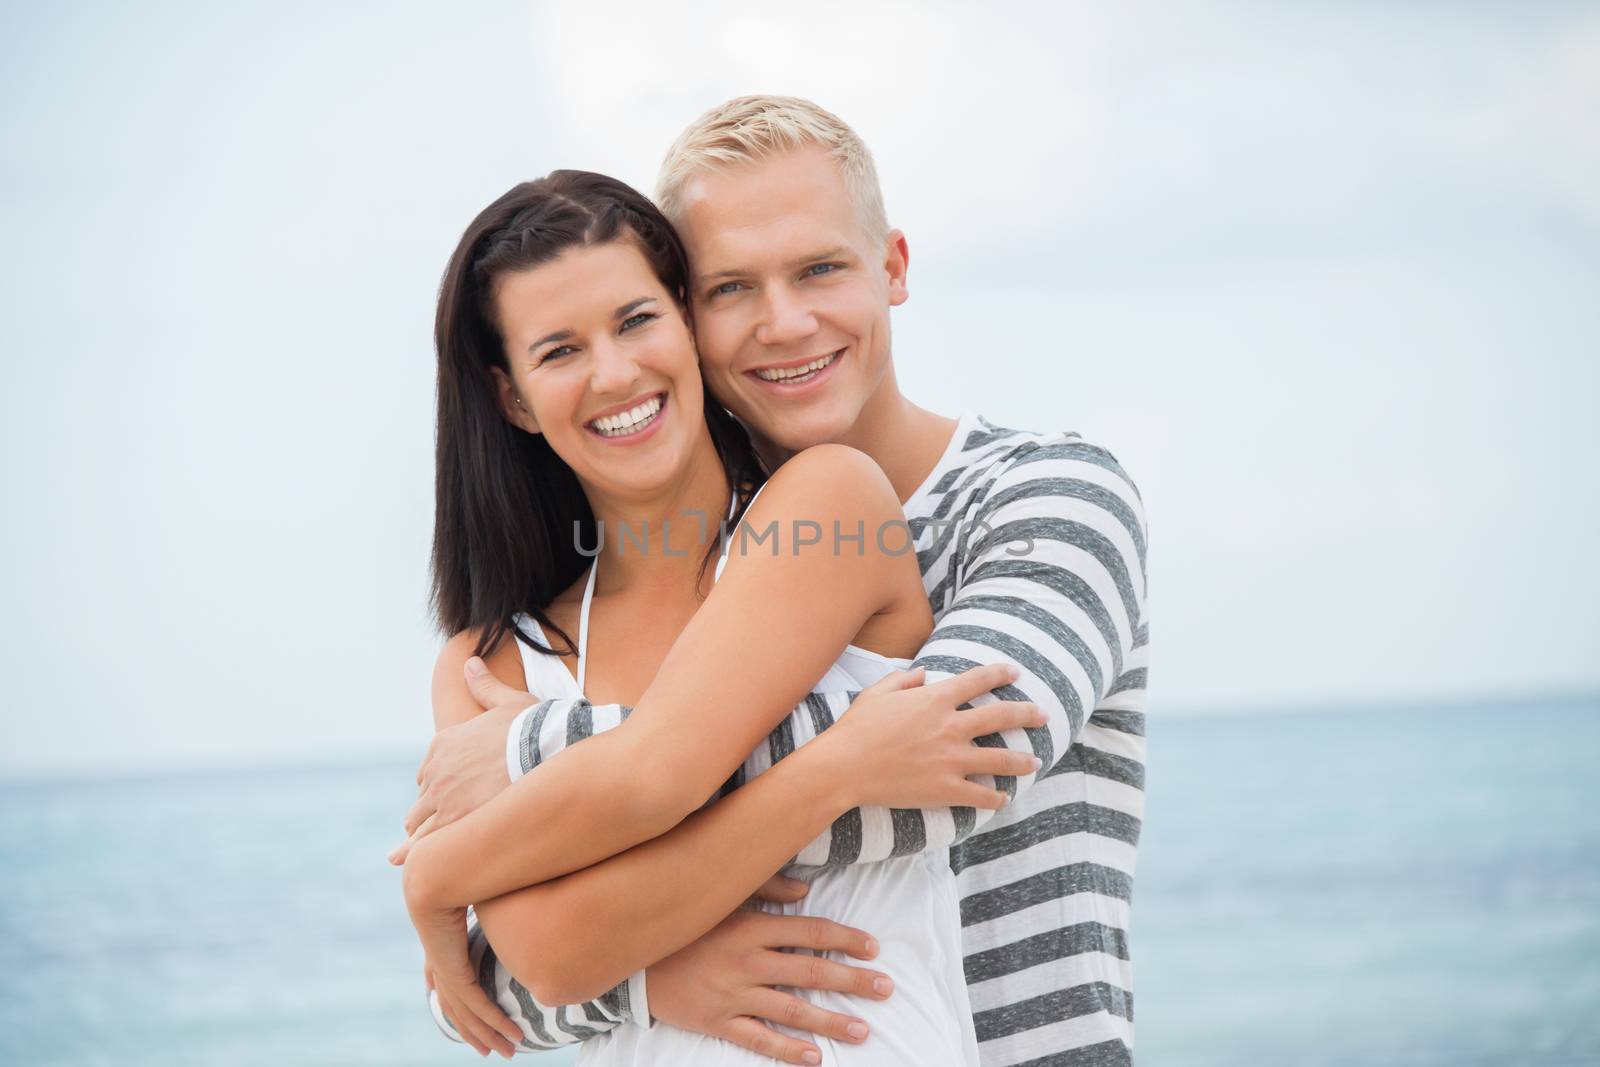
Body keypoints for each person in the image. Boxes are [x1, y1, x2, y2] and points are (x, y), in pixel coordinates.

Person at [404, 96, 1151, 1066]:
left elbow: (952, 760)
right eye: (730, 288)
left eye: (819, 268)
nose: (785, 321)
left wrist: (524, 765)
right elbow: (507, 974)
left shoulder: (1038, 492)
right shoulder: (516, 642)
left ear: (892, 267)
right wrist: (647, 975)